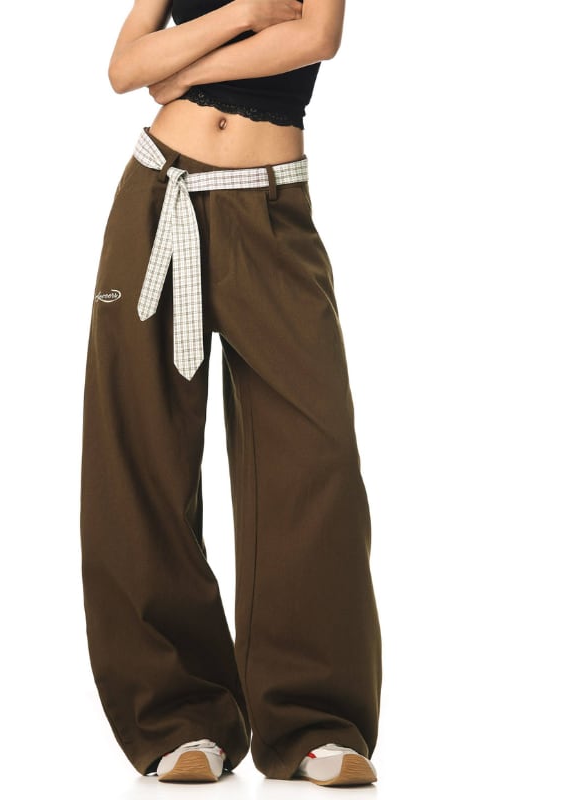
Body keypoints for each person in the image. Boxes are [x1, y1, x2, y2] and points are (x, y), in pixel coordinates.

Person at [79, 0, 382, 786]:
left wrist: (181, 69)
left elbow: (317, 36)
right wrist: (245, 11)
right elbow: (125, 68)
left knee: (314, 461)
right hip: (158, 193)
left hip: (272, 207)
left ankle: (314, 721)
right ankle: (178, 718)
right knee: (139, 456)